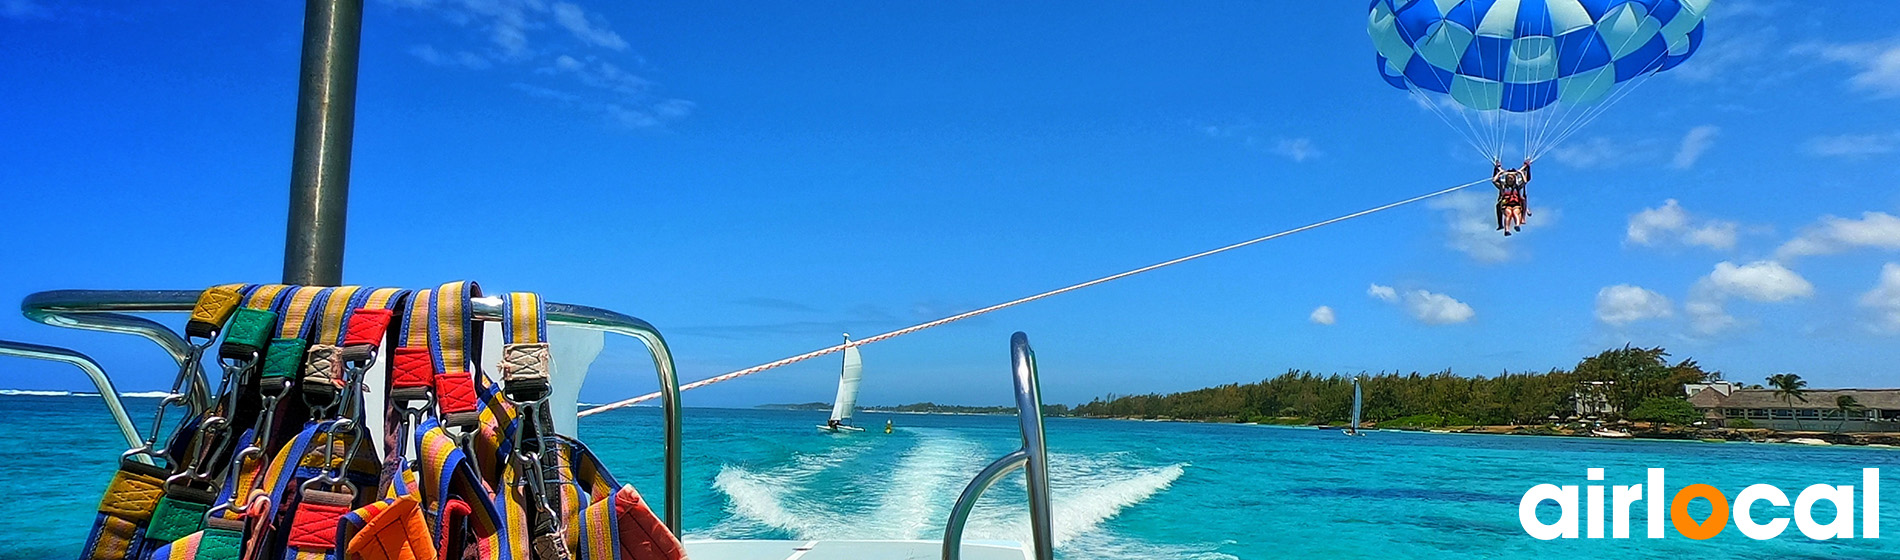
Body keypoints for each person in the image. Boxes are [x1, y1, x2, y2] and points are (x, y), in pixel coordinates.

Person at [1493, 159, 1532, 236]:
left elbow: (1525, 181)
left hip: (1516, 204)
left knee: (1515, 213)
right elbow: (1494, 180)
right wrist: (1498, 170)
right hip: (1506, 204)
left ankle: (1518, 225)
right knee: (1508, 214)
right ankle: (1506, 230)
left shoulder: (1517, 187)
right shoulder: (1503, 187)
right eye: (1508, 178)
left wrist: (1525, 169)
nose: (1510, 180)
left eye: (1511, 178)